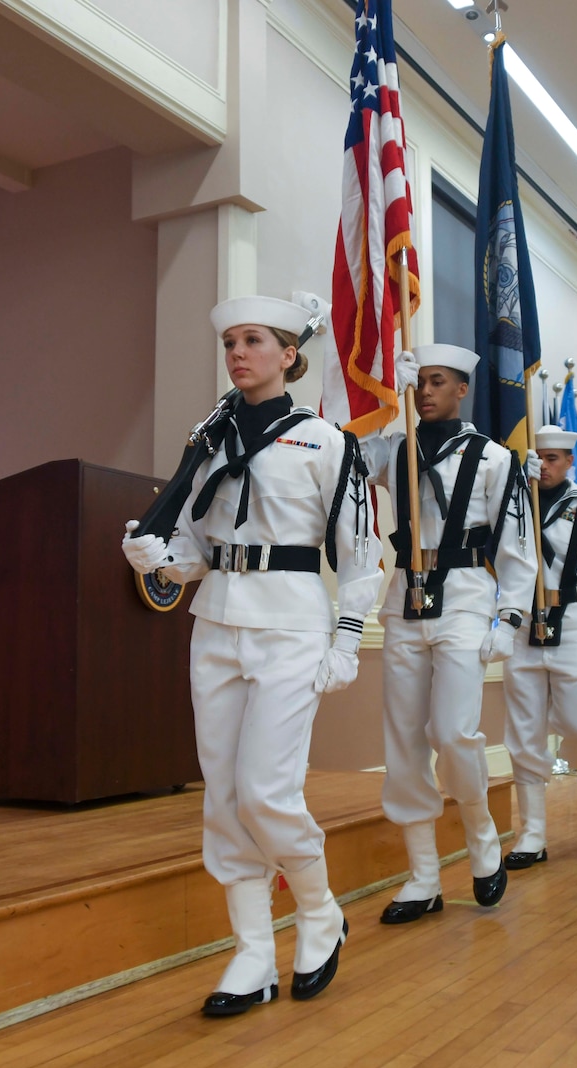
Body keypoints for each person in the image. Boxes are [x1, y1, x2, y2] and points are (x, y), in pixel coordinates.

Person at [122, 295, 383, 1017]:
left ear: (290, 355)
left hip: (292, 626)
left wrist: (349, 637)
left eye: (254, 340)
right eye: (231, 341)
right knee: (225, 797)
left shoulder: (326, 443)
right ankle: (252, 952)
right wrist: (160, 556)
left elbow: (362, 553)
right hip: (217, 626)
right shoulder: (207, 441)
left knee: (268, 792)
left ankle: (321, 912)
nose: (238, 352)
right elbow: (200, 549)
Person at [357, 344, 535, 924]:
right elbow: (345, 455)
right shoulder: (395, 448)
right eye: (420, 382)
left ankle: (482, 836)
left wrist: (509, 618)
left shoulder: (492, 459)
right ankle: (423, 876)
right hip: (405, 597)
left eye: (438, 382)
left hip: (462, 598)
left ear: (462, 390)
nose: (426, 391)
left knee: (455, 733)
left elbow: (516, 546)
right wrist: (387, 403)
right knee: (404, 739)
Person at [501, 425, 577, 867]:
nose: (546, 465)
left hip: (574, 622)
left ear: (570, 461)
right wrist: (516, 482)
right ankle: (532, 833)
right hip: (522, 626)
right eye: (539, 457)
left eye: (554, 458)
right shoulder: (515, 504)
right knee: (524, 732)